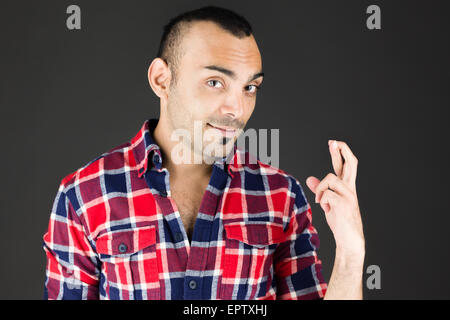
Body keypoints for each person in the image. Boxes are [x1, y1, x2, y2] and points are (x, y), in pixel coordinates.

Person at [43, 6, 365, 300]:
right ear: (161, 79)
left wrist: (351, 250)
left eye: (249, 87)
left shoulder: (282, 196)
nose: (237, 109)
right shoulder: (83, 196)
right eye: (215, 82)